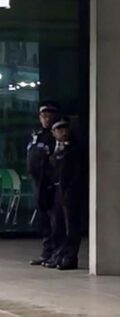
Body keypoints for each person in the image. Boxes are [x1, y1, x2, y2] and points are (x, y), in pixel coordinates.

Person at [44, 119, 82, 271]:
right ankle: (58, 254)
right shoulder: (54, 149)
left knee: (71, 225)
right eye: (59, 130)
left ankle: (70, 257)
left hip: (70, 191)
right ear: (53, 133)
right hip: (56, 190)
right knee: (57, 225)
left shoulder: (73, 148)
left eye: (65, 129)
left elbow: (77, 171)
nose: (63, 132)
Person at [26, 102, 59, 265]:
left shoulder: (56, 135)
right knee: (43, 218)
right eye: (43, 116)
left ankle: (56, 253)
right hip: (36, 181)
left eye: (49, 116)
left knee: (54, 218)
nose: (46, 119)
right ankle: (47, 252)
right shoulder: (36, 134)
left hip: (49, 182)